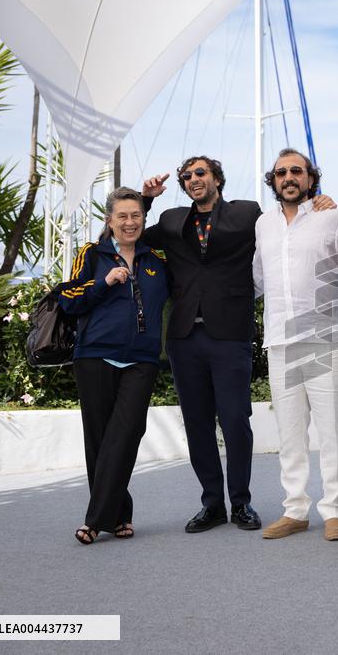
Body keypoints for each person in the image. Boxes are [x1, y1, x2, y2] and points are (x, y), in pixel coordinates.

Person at [141, 157, 264, 533]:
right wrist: (145, 202)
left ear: (216, 179)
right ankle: (211, 504)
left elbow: (286, 229)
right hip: (184, 338)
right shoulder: (171, 221)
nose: (193, 179)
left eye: (200, 173)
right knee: (196, 424)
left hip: (230, 334)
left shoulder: (247, 214)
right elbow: (124, 237)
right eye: (187, 176)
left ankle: (241, 502)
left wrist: (317, 203)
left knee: (234, 419)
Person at [253, 148, 338, 542]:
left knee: (332, 431)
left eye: (297, 171)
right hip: (280, 339)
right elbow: (257, 281)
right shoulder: (263, 225)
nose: (289, 177)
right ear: (274, 180)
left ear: (311, 178)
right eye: (281, 172)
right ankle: (295, 509)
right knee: (290, 433)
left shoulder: (332, 218)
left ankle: (334, 511)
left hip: (326, 338)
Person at [59, 187, 170, 544]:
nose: (129, 222)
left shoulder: (156, 260)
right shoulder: (93, 254)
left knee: (126, 434)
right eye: (121, 216)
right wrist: (102, 284)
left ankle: (93, 521)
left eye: (136, 215)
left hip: (141, 359)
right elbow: (67, 299)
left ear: (144, 218)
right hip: (94, 356)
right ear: (109, 220)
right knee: (100, 439)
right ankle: (119, 515)